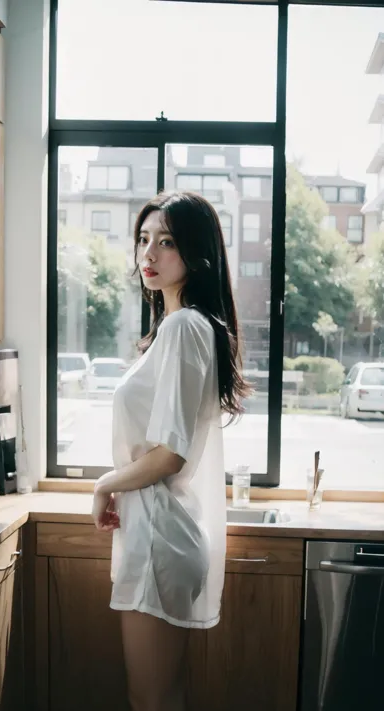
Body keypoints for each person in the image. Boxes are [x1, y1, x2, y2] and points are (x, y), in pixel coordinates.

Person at [91, 190, 249, 711]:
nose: (148, 255)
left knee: (150, 701)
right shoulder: (186, 326)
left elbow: (170, 454)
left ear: (195, 254)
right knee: (167, 697)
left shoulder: (185, 326)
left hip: (159, 538)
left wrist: (104, 484)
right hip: (163, 533)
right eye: (143, 240)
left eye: (167, 243)